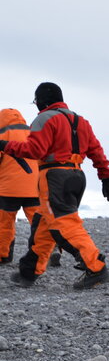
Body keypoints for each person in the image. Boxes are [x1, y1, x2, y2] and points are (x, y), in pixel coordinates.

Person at [0, 84, 109, 289]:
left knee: (63, 223)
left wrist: (4, 145)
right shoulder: (81, 121)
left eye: (36, 102)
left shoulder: (44, 119)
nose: (36, 106)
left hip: (54, 176)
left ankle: (96, 267)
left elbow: (34, 150)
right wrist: (106, 179)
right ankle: (29, 271)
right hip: (77, 175)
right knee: (44, 222)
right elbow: (96, 151)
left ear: (42, 101)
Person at [0, 108, 42, 264]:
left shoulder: (2, 135)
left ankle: (3, 255)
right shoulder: (33, 134)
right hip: (34, 188)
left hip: (8, 189)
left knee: (5, 223)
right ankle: (48, 252)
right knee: (38, 222)